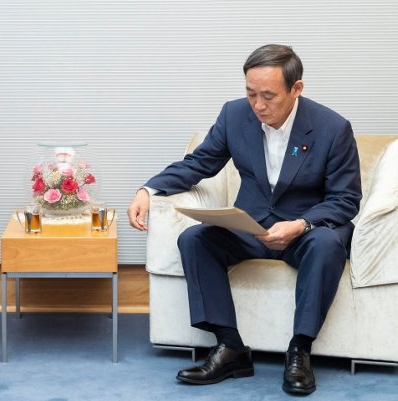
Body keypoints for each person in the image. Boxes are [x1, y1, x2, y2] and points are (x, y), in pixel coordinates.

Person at [127, 44, 361, 395]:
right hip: (251, 226)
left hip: (304, 231)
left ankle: (299, 350)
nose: (258, 105)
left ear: (296, 88)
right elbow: (199, 163)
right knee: (195, 239)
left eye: (268, 96)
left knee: (327, 243)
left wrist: (300, 225)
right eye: (251, 93)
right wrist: (149, 190)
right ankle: (230, 347)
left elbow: (346, 199)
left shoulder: (333, 128)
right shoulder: (234, 115)